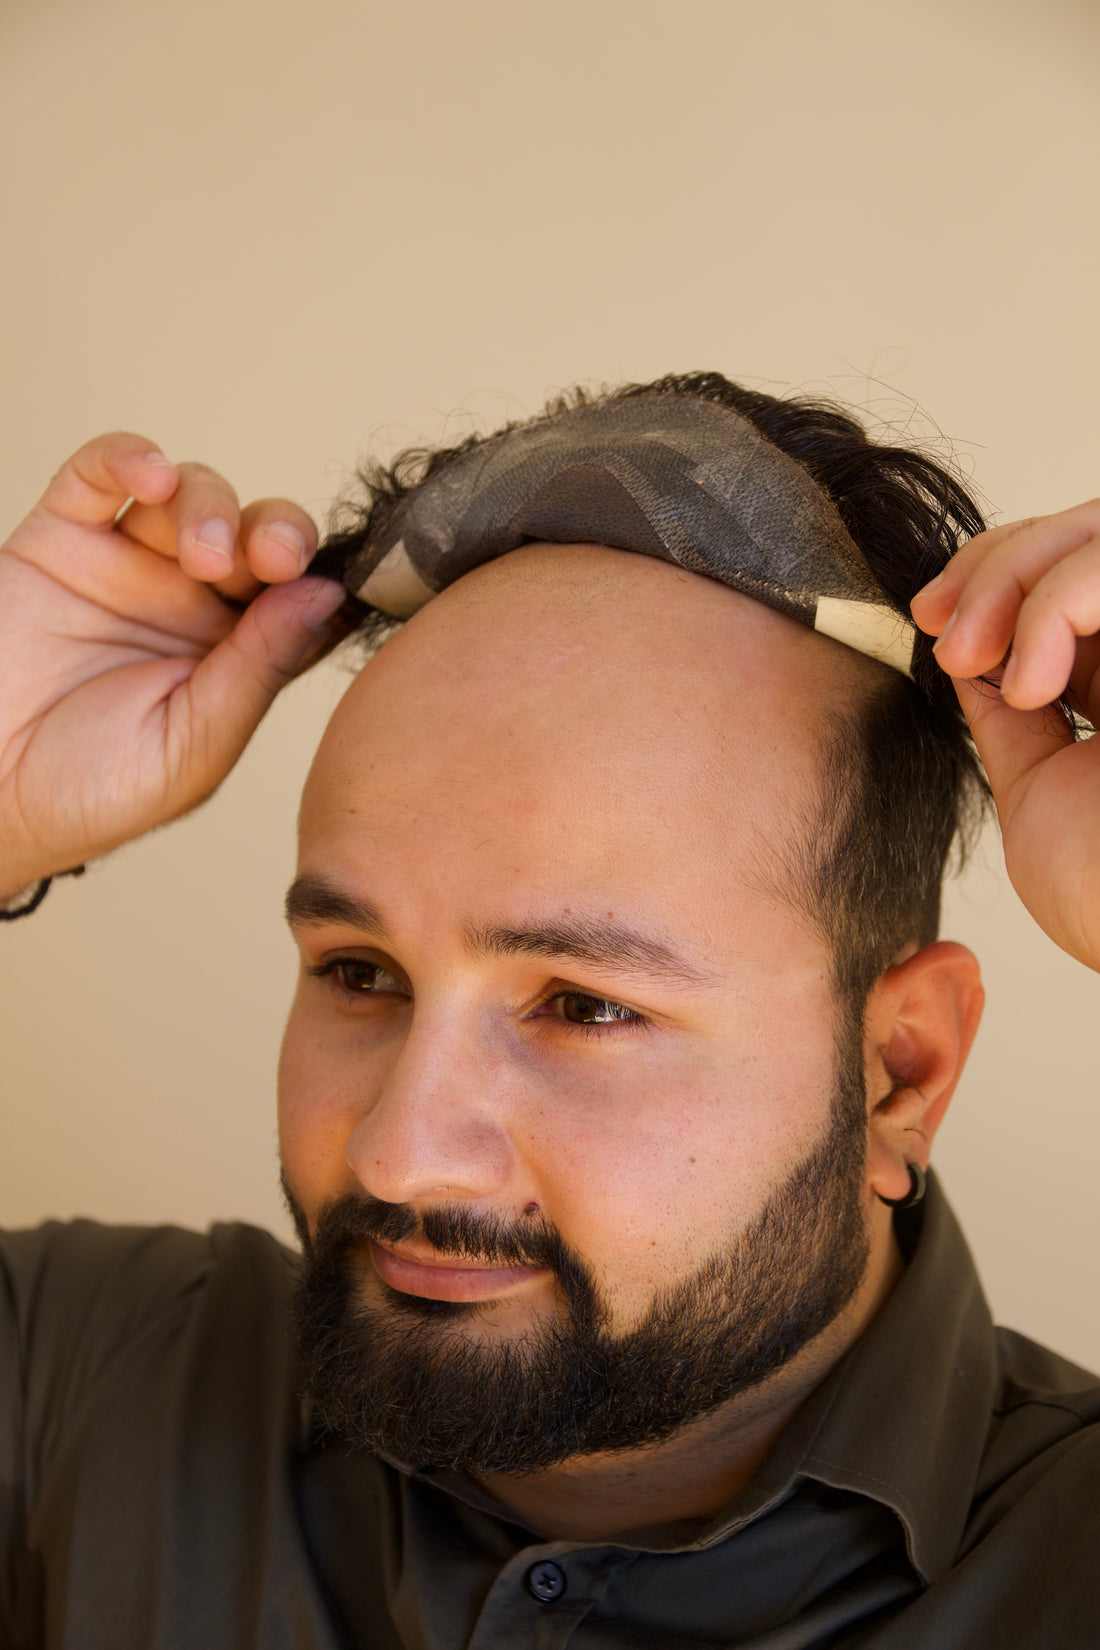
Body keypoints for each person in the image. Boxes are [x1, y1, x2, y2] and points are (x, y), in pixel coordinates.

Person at [1, 372, 1098, 1648]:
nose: (398, 1155)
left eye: (582, 1006)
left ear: (899, 1071)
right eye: (360, 973)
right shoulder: (78, 1379)